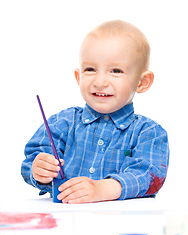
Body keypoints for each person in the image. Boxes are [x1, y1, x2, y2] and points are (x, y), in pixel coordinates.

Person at [21, 20, 169, 204]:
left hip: (121, 221)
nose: (100, 82)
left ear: (142, 82)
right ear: (78, 76)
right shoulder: (62, 122)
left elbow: (149, 175)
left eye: (116, 71)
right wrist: (39, 170)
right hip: (65, 221)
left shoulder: (149, 133)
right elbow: (32, 159)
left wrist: (103, 189)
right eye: (90, 69)